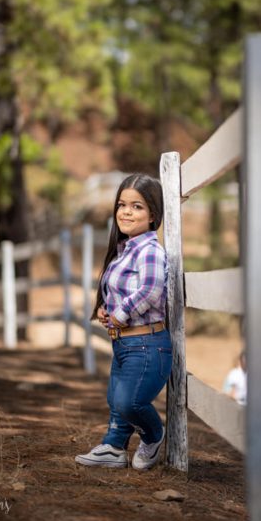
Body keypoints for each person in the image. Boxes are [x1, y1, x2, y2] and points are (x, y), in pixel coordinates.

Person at [75, 173, 172, 470]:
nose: (126, 212)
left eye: (137, 207)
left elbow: (151, 290)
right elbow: (123, 290)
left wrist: (121, 313)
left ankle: (154, 436)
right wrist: (106, 308)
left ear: (153, 214)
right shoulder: (123, 251)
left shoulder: (150, 250)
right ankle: (114, 447)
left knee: (130, 402)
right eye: (122, 205)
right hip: (125, 342)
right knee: (115, 399)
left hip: (147, 344)